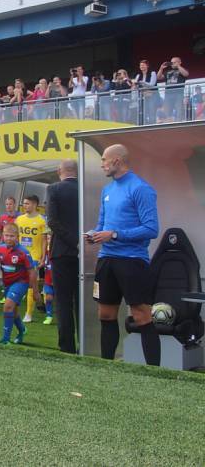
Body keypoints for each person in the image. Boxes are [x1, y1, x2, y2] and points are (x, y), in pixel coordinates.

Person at [85, 144, 160, 365]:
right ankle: (107, 368)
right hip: (106, 259)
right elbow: (102, 224)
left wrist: (115, 235)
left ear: (117, 161)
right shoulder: (107, 190)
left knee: (141, 315)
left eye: (104, 160)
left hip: (132, 261)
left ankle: (154, 373)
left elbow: (151, 229)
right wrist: (94, 234)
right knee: (105, 315)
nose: (102, 164)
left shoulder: (140, 188)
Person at [46, 159, 80, 354]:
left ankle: (67, 347)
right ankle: (86, 343)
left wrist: (71, 241)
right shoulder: (86, 189)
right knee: (81, 300)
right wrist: (79, 242)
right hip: (84, 252)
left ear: (60, 171)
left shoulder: (54, 189)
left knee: (63, 301)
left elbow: (52, 221)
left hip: (61, 252)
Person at [0, 223, 34, 344]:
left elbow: (32, 272)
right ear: (3, 236)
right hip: (7, 284)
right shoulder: (1, 249)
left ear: (17, 236)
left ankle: (5, 339)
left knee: (7, 306)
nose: (8, 238)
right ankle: (22, 330)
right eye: (6, 235)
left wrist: (35, 291)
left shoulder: (23, 252)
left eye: (12, 236)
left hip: (21, 283)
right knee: (13, 312)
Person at [15, 194, 48, 323]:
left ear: (35, 204)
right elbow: (15, 237)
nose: (25, 206)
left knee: (31, 285)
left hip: (34, 257)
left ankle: (28, 314)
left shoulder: (42, 220)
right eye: (24, 203)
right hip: (20, 256)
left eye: (27, 203)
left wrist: (43, 257)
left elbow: (45, 240)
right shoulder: (19, 219)